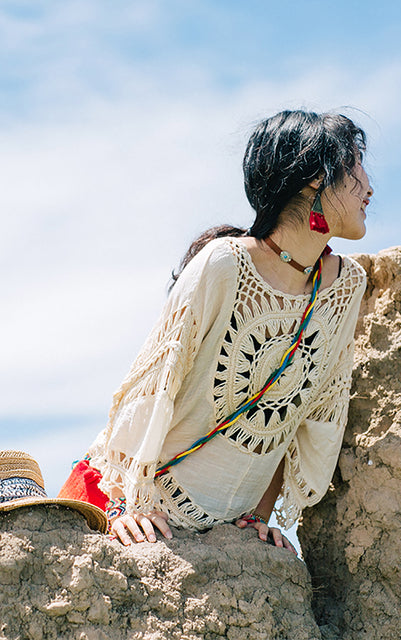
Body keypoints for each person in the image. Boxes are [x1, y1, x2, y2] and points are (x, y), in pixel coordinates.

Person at [82, 109, 373, 551]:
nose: (369, 186)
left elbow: (300, 415)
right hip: (136, 513)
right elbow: (152, 386)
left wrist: (259, 515)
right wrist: (122, 507)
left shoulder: (345, 286)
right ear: (316, 178)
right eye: (354, 167)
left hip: (224, 538)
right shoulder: (224, 264)